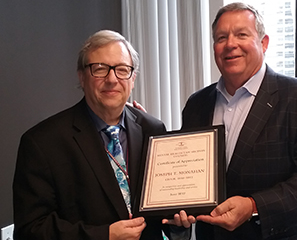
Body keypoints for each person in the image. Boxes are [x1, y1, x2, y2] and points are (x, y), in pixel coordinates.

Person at [180, 2, 297, 239]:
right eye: (221, 37)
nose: (230, 44)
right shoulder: (197, 104)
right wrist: (178, 207)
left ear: (264, 43)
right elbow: (187, 174)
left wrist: (254, 206)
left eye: (241, 34)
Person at [13, 30, 190, 240]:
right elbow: (30, 230)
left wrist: (178, 226)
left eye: (122, 70)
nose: (112, 79)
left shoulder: (153, 130)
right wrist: (103, 236)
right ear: (81, 76)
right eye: (100, 69)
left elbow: (163, 215)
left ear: (132, 79)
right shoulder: (42, 143)